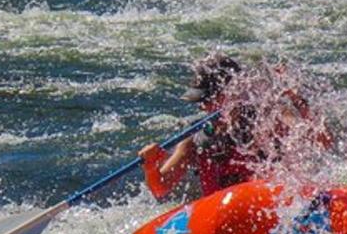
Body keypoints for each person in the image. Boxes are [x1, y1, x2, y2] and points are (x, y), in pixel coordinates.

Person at [138, 54, 330, 200]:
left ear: (233, 92)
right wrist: (150, 167)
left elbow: (322, 142)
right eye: (200, 101)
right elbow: (160, 188)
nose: (203, 107)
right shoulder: (196, 136)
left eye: (209, 99)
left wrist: (296, 100)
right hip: (221, 215)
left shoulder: (269, 116)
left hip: (268, 205)